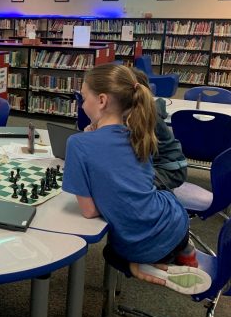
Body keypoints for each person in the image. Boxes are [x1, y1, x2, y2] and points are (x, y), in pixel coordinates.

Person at [63, 64, 210, 294]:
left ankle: (140, 266)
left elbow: (89, 211)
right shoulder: (140, 133)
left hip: (137, 245)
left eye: (84, 98)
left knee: (110, 252)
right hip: (176, 224)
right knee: (162, 197)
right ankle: (183, 252)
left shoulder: (78, 144)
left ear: (101, 100)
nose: (82, 105)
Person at [132, 68, 187, 190]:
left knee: (129, 183)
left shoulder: (144, 116)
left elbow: (136, 154)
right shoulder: (134, 112)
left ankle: (164, 204)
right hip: (158, 164)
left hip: (170, 170)